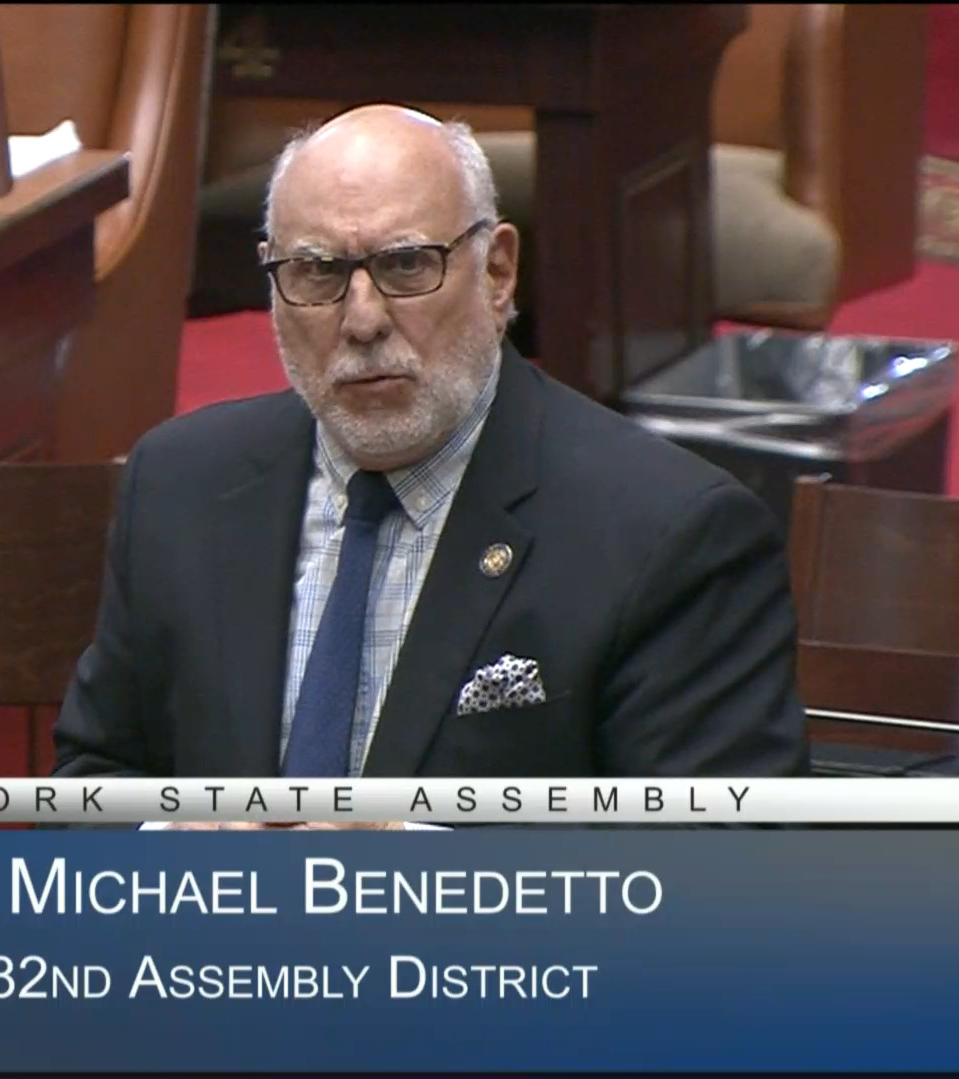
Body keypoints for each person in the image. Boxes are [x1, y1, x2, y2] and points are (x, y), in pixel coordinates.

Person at [51, 104, 809, 816]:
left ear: (498, 272)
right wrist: (179, 840)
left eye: (408, 265)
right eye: (317, 272)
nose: (362, 320)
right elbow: (93, 780)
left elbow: (719, 863)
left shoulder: (668, 534)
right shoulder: (181, 483)